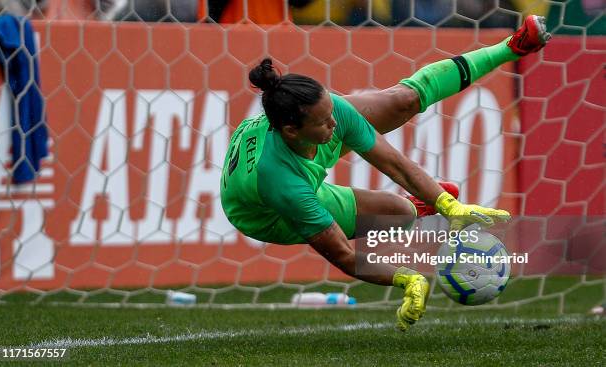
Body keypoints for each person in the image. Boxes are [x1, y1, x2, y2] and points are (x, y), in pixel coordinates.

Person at [220, 15, 551, 331]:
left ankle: (513, 45)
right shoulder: (284, 185)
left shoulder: (331, 115)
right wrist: (408, 278)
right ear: (293, 131)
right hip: (263, 213)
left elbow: (395, 164)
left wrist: (452, 208)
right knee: (399, 214)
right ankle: (416, 206)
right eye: (324, 122)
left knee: (402, 100)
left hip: (292, 160)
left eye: (331, 111)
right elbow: (345, 256)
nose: (335, 125)